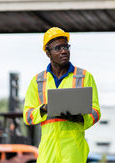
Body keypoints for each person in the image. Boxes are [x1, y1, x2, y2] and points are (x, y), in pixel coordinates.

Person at [23, 27, 101, 162]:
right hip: (48, 153)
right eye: (58, 48)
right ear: (48, 53)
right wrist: (44, 109)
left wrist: (79, 119)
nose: (64, 51)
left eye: (66, 46)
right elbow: (28, 116)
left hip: (73, 152)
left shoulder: (84, 77)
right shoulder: (38, 81)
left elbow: (96, 112)